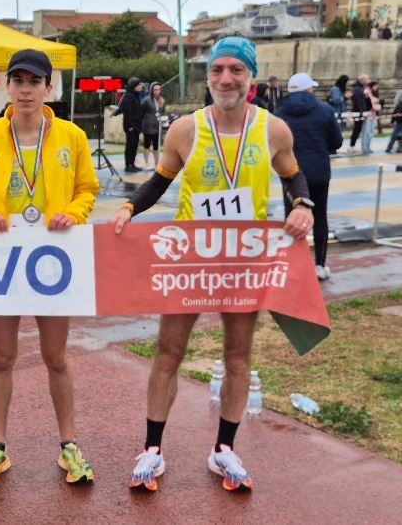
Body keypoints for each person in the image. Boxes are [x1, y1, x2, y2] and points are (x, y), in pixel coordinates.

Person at [108, 36, 314, 493]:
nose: (226, 78)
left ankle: (224, 450)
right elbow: (160, 181)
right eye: (218, 70)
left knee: (238, 357)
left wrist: (303, 203)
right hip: (192, 259)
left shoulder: (273, 129)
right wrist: (129, 210)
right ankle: (153, 449)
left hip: (243, 261)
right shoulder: (185, 130)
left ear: (251, 79)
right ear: (208, 78)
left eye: (236, 70)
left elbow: (292, 173)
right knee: (168, 353)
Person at [0, 48, 101, 487]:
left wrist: (73, 213)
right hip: (3, 262)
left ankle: (68, 445)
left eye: (34, 82)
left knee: (55, 357)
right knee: (3, 356)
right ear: (6, 87)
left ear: (48, 87)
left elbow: (86, 189)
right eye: (17, 81)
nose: (25, 90)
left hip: (52, 264)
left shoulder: (71, 138)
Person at [275, 73, 343, 281]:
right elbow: (337, 142)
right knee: (319, 216)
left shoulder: (278, 114)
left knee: (292, 218)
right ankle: (320, 265)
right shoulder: (325, 110)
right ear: (308, 89)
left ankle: (295, 265)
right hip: (320, 172)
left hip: (291, 174)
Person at [113, 77, 145, 172]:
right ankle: (128, 165)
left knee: (134, 145)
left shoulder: (135, 96)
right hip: (131, 126)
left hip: (136, 126)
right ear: (134, 86)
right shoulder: (128, 97)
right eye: (138, 85)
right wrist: (130, 126)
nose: (141, 86)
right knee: (130, 146)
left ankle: (132, 163)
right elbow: (127, 112)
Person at [141, 82, 166, 168]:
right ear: (152, 90)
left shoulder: (162, 100)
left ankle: (156, 163)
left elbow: (162, 112)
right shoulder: (146, 100)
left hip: (157, 126)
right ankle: (146, 163)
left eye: (158, 89)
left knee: (156, 146)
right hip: (148, 126)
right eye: (155, 90)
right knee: (147, 145)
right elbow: (141, 113)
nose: (157, 91)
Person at [348, 74, 371, 152]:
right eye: (367, 79)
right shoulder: (357, 89)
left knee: (359, 129)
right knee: (357, 129)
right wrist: (362, 112)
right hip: (358, 112)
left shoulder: (361, 88)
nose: (368, 81)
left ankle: (354, 145)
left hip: (361, 112)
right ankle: (351, 146)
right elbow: (358, 102)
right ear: (363, 80)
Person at [361, 80, 381, 155]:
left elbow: (377, 105)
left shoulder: (374, 93)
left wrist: (377, 105)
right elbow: (371, 103)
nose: (377, 87)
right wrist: (376, 105)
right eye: (376, 85)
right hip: (367, 115)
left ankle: (368, 147)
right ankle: (364, 148)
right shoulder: (367, 91)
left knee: (371, 132)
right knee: (366, 132)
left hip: (373, 115)